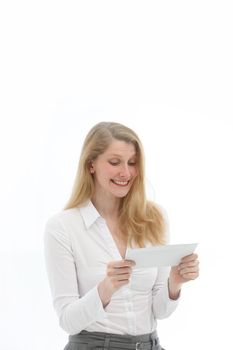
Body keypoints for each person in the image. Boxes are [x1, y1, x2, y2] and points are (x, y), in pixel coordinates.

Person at [44, 121, 199, 350]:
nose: (126, 173)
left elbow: (160, 311)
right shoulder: (63, 227)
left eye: (133, 163)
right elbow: (67, 321)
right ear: (91, 165)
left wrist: (174, 283)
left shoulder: (154, 217)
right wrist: (106, 287)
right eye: (115, 162)